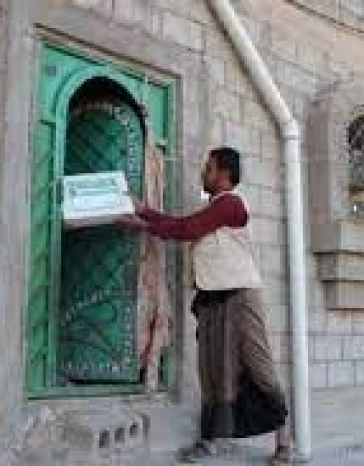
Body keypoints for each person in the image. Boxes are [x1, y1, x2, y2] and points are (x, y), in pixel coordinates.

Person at [119, 147, 292, 463]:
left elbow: (186, 229)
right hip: (212, 300)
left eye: (208, 168)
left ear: (224, 174)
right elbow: (185, 227)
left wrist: (143, 215)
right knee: (211, 371)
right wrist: (143, 217)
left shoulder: (230, 204)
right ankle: (209, 440)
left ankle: (285, 443)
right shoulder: (213, 207)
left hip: (240, 298)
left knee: (259, 366)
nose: (204, 173)